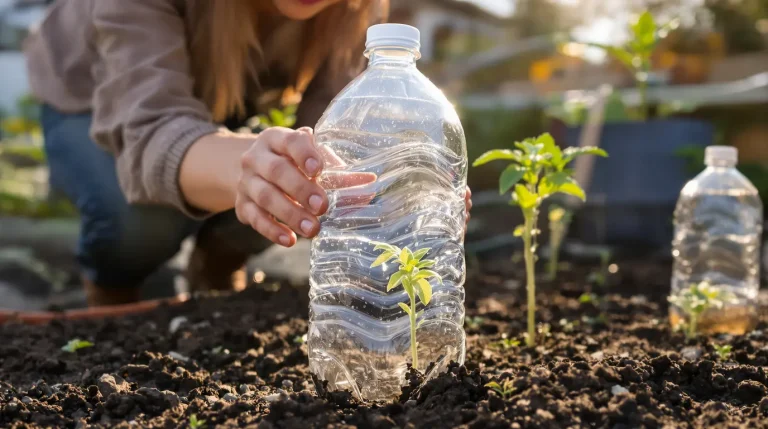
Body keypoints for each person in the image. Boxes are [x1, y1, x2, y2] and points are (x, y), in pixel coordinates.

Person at [24, 0, 472, 307]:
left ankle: (216, 269)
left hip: (227, 96)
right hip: (97, 99)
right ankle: (111, 300)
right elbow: (151, 132)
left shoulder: (358, 12)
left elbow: (332, 139)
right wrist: (254, 170)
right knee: (138, 222)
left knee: (291, 179)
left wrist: (400, 196)